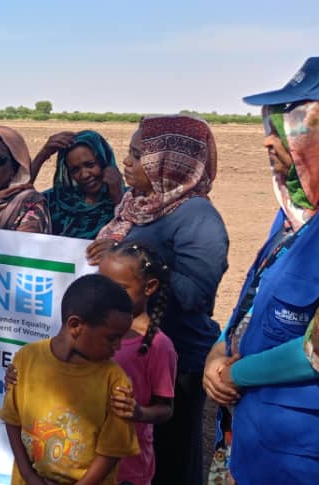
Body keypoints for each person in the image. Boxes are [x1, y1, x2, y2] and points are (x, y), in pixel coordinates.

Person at [87, 115, 228, 485]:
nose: (127, 162)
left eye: (138, 154)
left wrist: (128, 259)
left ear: (170, 164)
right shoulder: (138, 204)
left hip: (176, 361)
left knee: (169, 460)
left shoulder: (198, 217)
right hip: (131, 353)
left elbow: (196, 294)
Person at [202, 58, 319, 483]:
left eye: (286, 128)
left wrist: (236, 372)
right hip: (252, 438)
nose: (268, 143)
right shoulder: (292, 215)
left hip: (298, 454)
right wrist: (218, 349)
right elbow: (255, 297)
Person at [0, 274, 139, 485]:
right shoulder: (26, 359)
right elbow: (12, 420)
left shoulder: (115, 381)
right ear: (75, 325)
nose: (118, 347)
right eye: (112, 338)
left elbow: (112, 450)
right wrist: (28, 476)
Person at [99, 243, 177, 485]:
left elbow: (165, 408)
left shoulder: (158, 346)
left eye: (120, 289)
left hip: (128, 468)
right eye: (102, 286)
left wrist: (138, 412)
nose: (107, 296)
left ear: (150, 287)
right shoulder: (92, 332)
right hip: (83, 458)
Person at [32, 130, 125, 239]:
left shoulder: (131, 202)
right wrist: (42, 155)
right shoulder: (57, 200)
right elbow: (18, 199)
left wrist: (119, 198)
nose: (84, 175)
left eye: (90, 165)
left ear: (104, 161)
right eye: (75, 170)